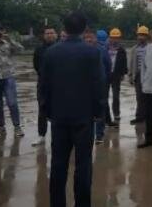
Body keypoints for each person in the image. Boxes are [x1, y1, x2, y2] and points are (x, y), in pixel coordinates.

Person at [40, 12, 105, 207]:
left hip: (59, 117)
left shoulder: (51, 52)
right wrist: (99, 112)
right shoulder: (92, 53)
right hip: (84, 117)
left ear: (64, 28)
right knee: (83, 165)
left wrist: (47, 111)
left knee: (58, 164)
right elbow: (98, 84)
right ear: (84, 29)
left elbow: (43, 85)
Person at [83, 29, 112, 145]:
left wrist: (104, 81)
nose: (89, 40)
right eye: (86, 38)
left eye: (91, 37)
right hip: (85, 86)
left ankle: (99, 134)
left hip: (100, 85)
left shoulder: (102, 50)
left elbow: (108, 66)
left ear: (96, 38)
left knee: (100, 107)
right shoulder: (81, 51)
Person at [32, 26, 58, 146]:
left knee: (58, 110)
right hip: (43, 84)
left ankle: (58, 135)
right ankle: (41, 135)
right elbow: (36, 66)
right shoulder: (39, 50)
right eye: (47, 33)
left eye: (52, 33)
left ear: (56, 35)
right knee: (42, 109)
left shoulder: (61, 48)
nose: (50, 35)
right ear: (44, 35)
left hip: (59, 84)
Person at [128, 26, 149, 126]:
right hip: (138, 75)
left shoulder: (150, 48)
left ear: (146, 36)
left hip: (148, 76)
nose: (140, 37)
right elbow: (131, 63)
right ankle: (139, 117)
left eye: (143, 35)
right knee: (139, 97)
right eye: (139, 35)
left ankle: (147, 116)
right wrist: (130, 76)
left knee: (148, 97)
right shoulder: (134, 49)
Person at [107, 28, 128, 126]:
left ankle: (116, 114)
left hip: (116, 75)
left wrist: (123, 74)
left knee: (116, 96)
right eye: (113, 37)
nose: (115, 39)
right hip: (106, 74)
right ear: (110, 37)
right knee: (104, 96)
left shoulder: (122, 50)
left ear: (119, 38)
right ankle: (105, 116)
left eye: (117, 37)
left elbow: (124, 62)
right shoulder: (105, 48)